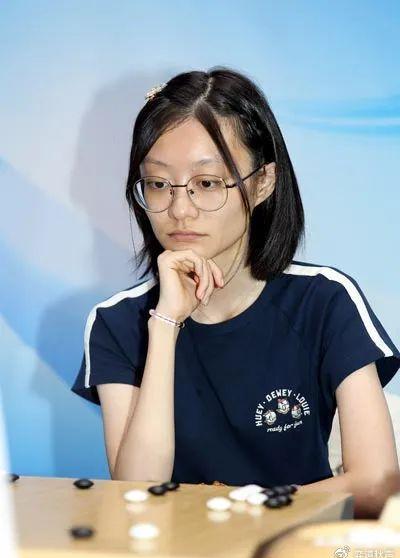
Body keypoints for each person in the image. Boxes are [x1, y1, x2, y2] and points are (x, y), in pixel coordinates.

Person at [71, 66, 400, 519]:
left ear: (262, 183)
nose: (180, 209)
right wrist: (165, 323)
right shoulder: (117, 321)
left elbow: (375, 482)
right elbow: (137, 492)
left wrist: (244, 513)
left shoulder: (324, 300)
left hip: (293, 542)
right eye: (158, 184)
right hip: (174, 549)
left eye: (206, 184)